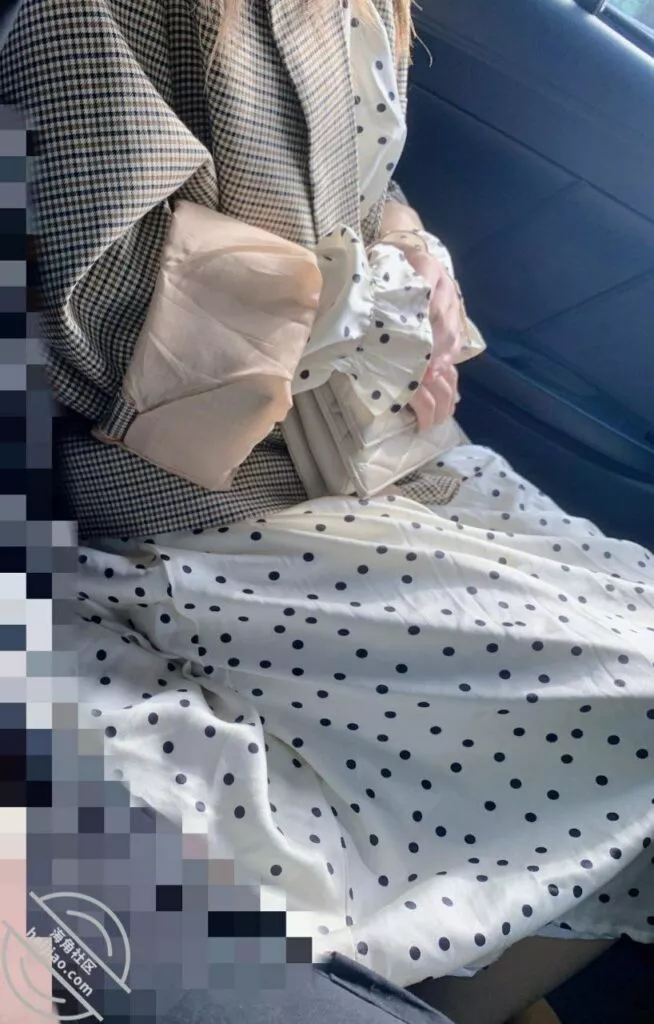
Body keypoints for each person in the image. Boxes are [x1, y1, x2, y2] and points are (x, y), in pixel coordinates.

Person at [1, 2, 652, 1022]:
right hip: (221, 506)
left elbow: (369, 187)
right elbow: (103, 301)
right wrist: (378, 306)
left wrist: (422, 264)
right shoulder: (94, 13)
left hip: (396, 465)